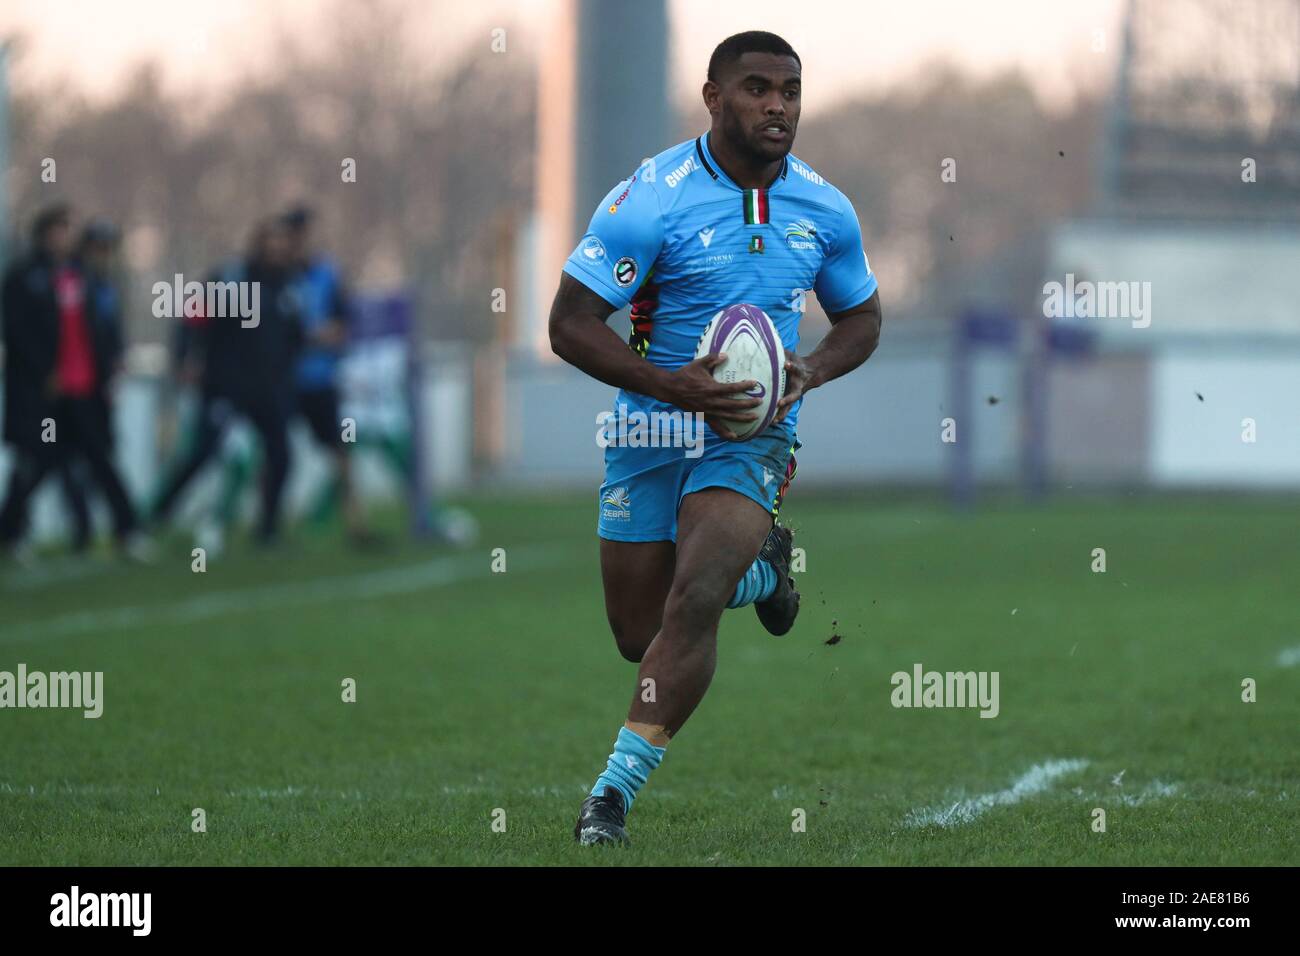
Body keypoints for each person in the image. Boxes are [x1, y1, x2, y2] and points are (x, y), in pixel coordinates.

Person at [548, 32, 883, 844]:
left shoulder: (825, 208)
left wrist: (811, 369)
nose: (778, 106)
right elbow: (568, 325)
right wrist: (669, 385)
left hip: (751, 437)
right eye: (757, 88)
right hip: (650, 425)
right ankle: (766, 578)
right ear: (713, 98)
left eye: (791, 91)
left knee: (692, 597)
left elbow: (863, 317)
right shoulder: (650, 198)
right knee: (642, 633)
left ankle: (610, 800)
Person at [0, 206, 147, 561]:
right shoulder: (24, 278)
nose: (63, 238)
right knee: (38, 460)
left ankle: (128, 530)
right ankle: (11, 532)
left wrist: (110, 366)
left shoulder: (83, 278)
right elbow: (17, 333)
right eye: (57, 230)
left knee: (99, 458)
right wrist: (44, 372)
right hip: (45, 392)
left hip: (83, 389)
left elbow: (100, 329)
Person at [149, 219, 302, 545]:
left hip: (267, 389)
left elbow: (293, 338)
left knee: (281, 455)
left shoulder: (287, 287)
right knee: (203, 452)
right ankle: (160, 513)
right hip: (226, 385)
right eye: (270, 243)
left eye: (281, 244)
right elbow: (191, 318)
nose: (276, 250)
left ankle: (268, 529)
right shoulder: (232, 280)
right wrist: (185, 359)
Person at [281, 205, 370, 542]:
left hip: (319, 379)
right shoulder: (278, 277)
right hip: (285, 379)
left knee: (340, 452)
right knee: (275, 452)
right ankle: (271, 523)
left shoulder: (326, 274)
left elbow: (344, 324)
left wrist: (320, 336)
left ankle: (355, 523)